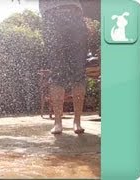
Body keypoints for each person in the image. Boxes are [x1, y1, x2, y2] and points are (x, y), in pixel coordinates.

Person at [39, 0, 88, 134]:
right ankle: (58, 122)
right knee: (57, 71)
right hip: (51, 16)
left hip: (75, 15)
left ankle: (77, 121)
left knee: (79, 70)